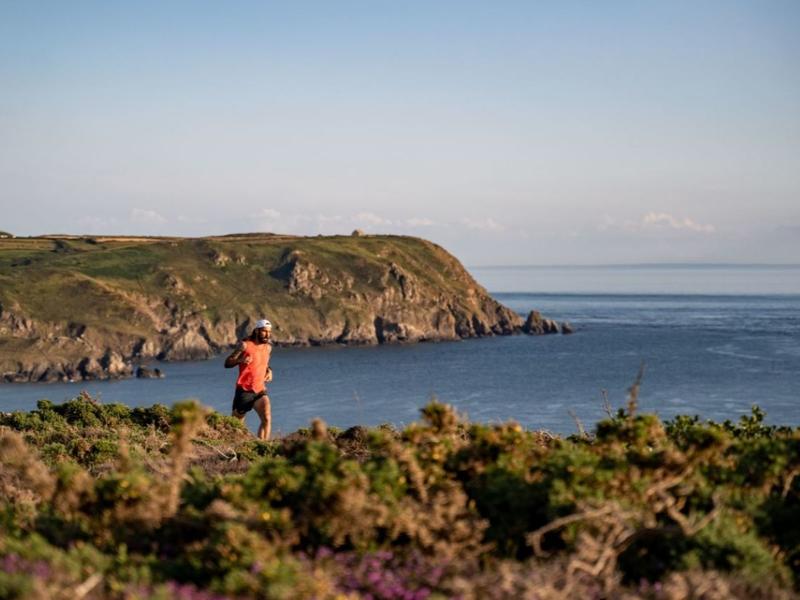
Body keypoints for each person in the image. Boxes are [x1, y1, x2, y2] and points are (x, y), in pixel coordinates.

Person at [225, 318, 274, 440]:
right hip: (244, 390)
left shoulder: (268, 348)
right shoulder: (245, 346)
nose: (267, 335)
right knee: (236, 425)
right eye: (264, 331)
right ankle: (233, 445)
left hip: (260, 389)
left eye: (269, 332)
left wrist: (269, 370)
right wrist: (240, 360)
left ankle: (263, 447)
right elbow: (227, 363)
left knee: (267, 418)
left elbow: (263, 362)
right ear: (257, 331)